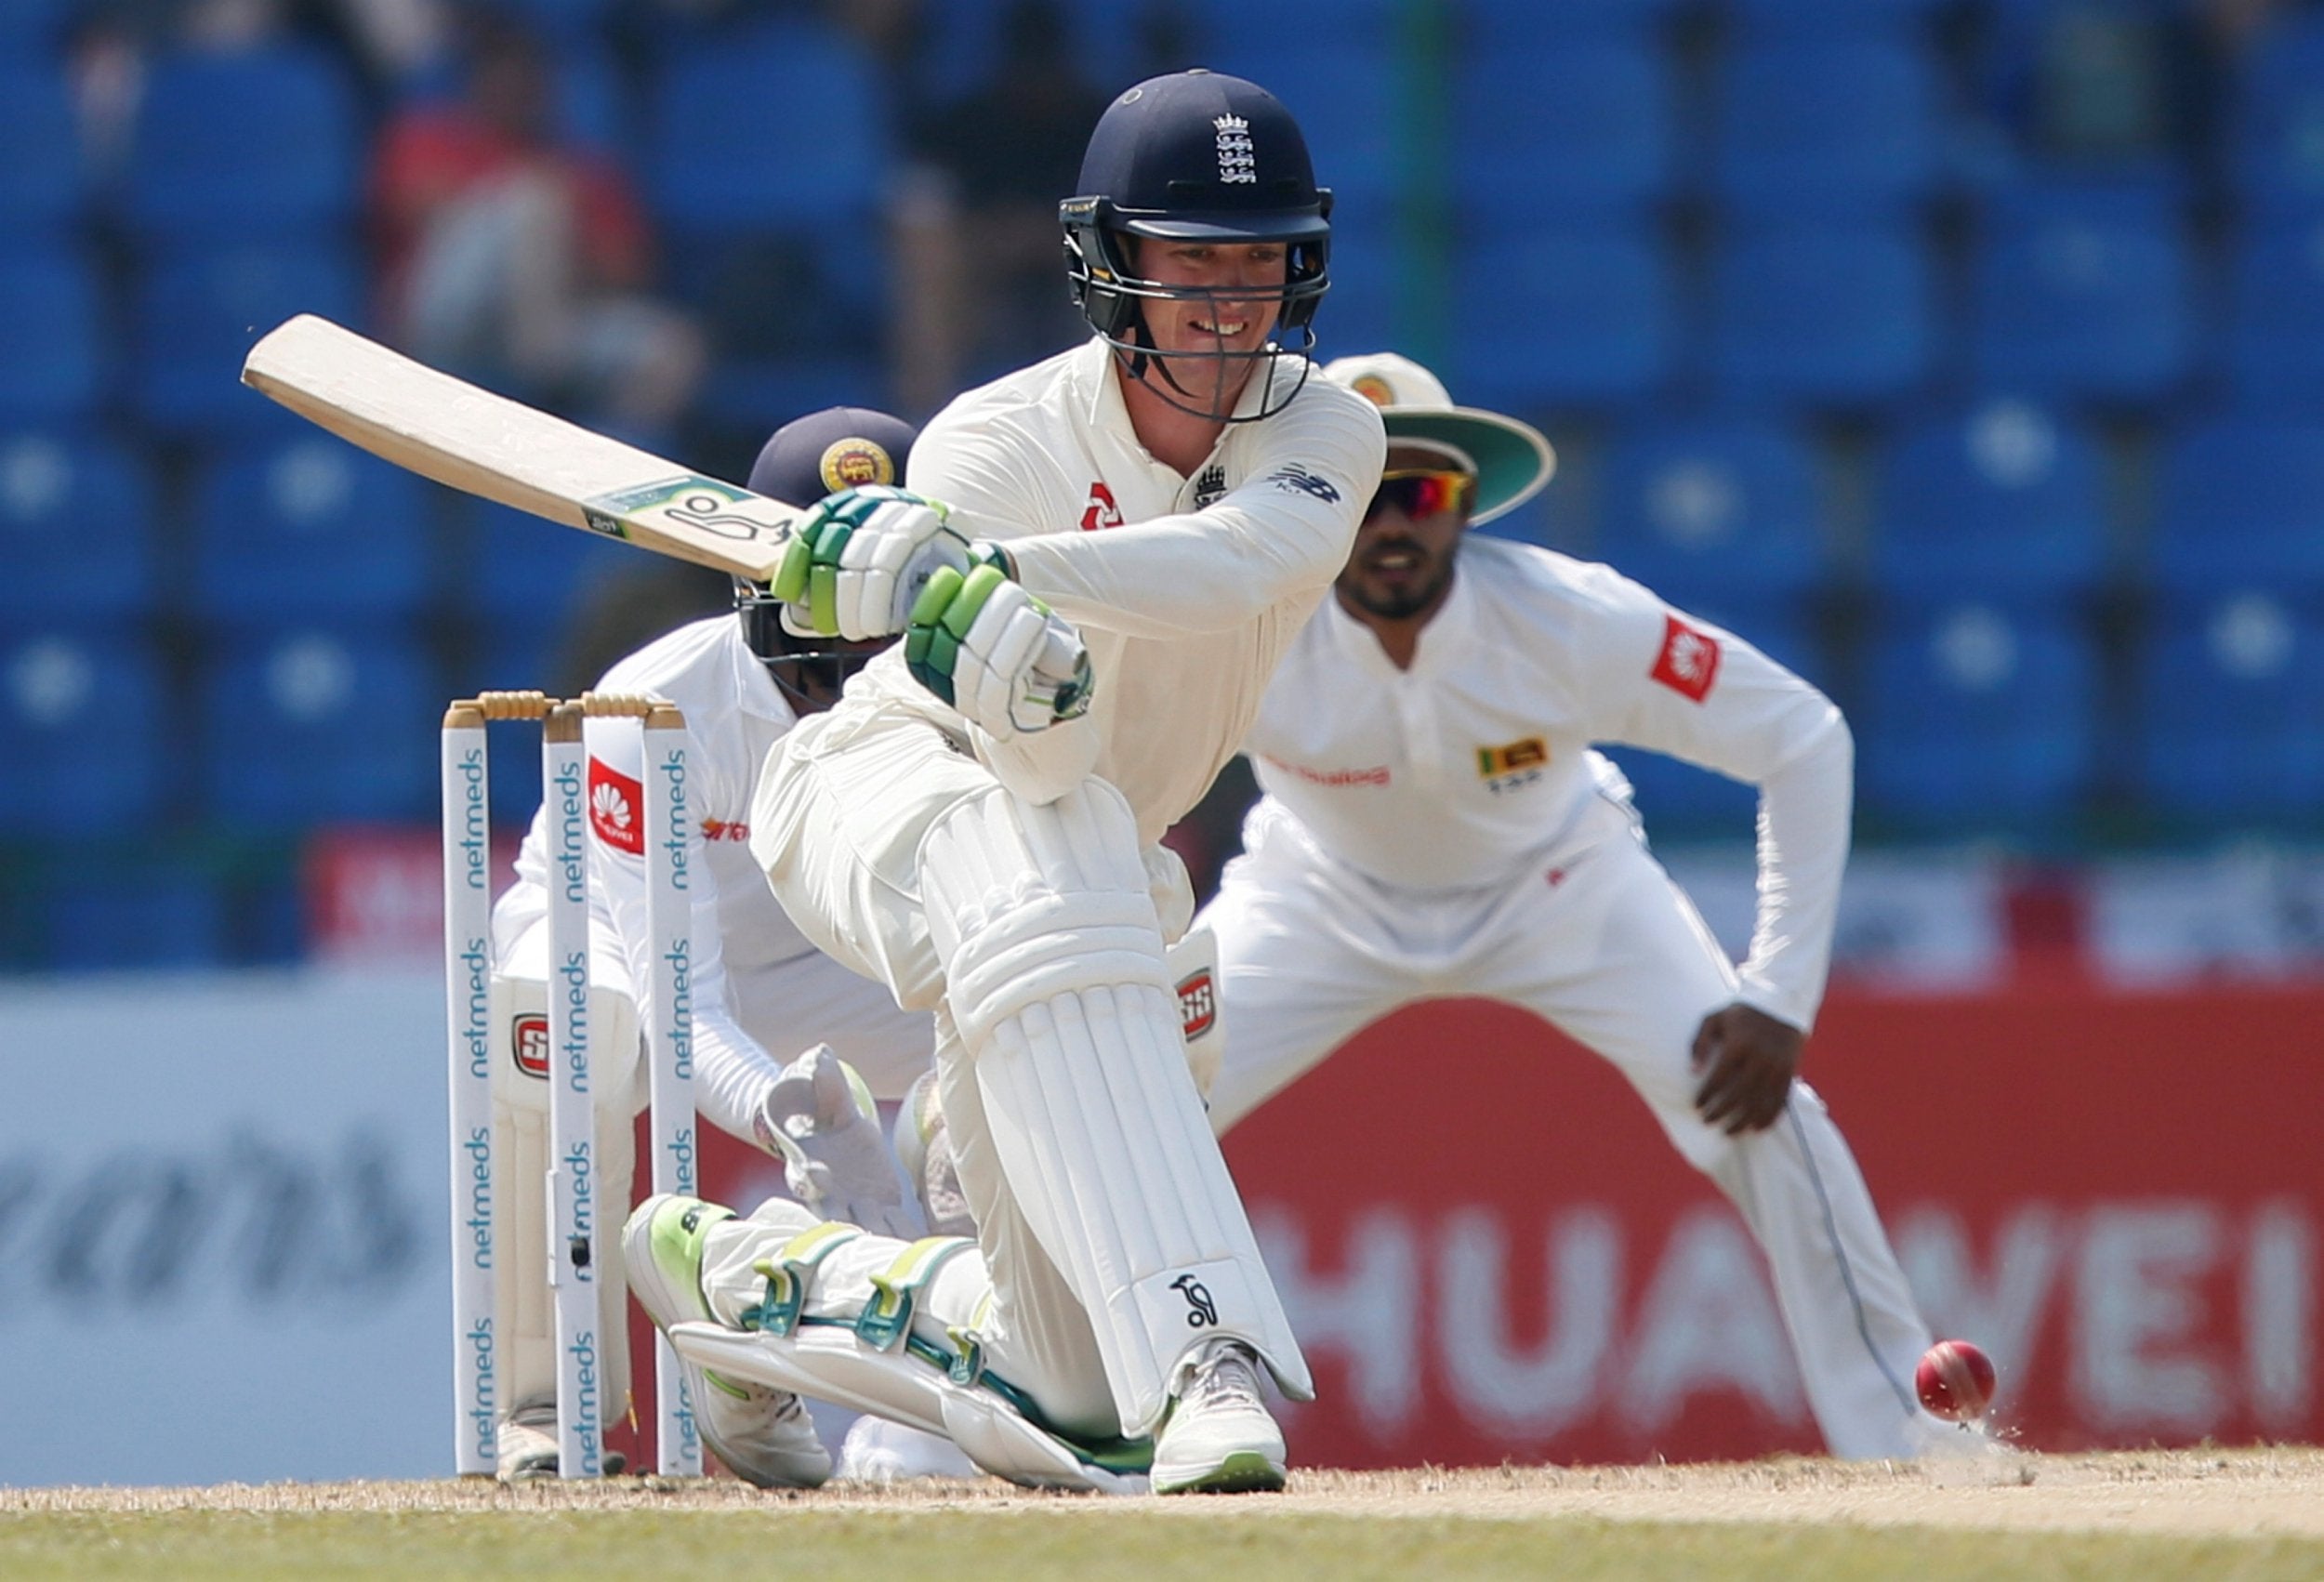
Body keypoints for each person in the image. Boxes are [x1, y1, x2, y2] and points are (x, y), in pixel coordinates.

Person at [621, 68, 1385, 1495]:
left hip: (1080, 850)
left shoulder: (1328, 433)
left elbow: (1234, 567)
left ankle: (752, 1279)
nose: (1230, 303)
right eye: (1191, 262)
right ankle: (1210, 1352)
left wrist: (989, 570)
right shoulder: (992, 443)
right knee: (1059, 834)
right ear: (1113, 266)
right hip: (880, 785)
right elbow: (1006, 730)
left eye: (1260, 261)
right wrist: (937, 575)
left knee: (1067, 1381)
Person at [1196, 352, 1989, 1461]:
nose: (1390, 527)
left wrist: (1777, 994)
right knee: (1122, 1101)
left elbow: (1802, 738)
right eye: (1356, 497)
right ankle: (1000, 1416)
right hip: (1311, 895)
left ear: (1465, 502)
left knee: (1761, 1112)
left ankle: (1913, 1443)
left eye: (1418, 494)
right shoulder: (1230, 635)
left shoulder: (1573, 619)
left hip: (1561, 885)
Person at [485, 406, 942, 1486]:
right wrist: (797, 1113)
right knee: (579, 1032)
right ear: (753, 575)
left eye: (888, 577)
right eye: (828, 576)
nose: (859, 619)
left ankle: (940, 1403)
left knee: (1007, 1028)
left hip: (815, 971)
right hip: (602, 942)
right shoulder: (652, 707)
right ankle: (549, 1407)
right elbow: (678, 1003)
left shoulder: (945, 697)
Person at [371, 11, 702, 438]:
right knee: (533, 199)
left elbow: (627, 272)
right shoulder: (429, 136)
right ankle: (539, 362)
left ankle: (606, 468)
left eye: (527, 79)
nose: (514, 90)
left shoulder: (579, 168)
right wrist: (511, 209)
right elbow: (411, 208)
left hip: (560, 324)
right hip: (444, 329)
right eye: (501, 77)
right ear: (476, 82)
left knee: (672, 347)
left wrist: (562, 246)